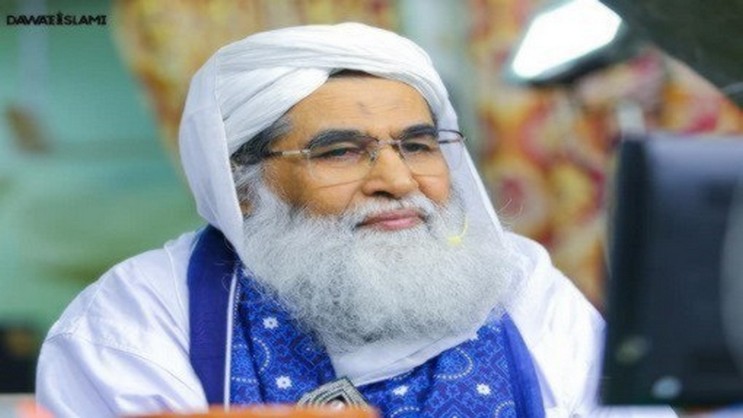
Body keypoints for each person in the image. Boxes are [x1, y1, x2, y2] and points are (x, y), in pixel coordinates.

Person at [36, 23, 677, 418]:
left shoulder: (524, 287)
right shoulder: (140, 316)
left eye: (418, 145)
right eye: (340, 152)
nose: (397, 181)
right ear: (243, 186)